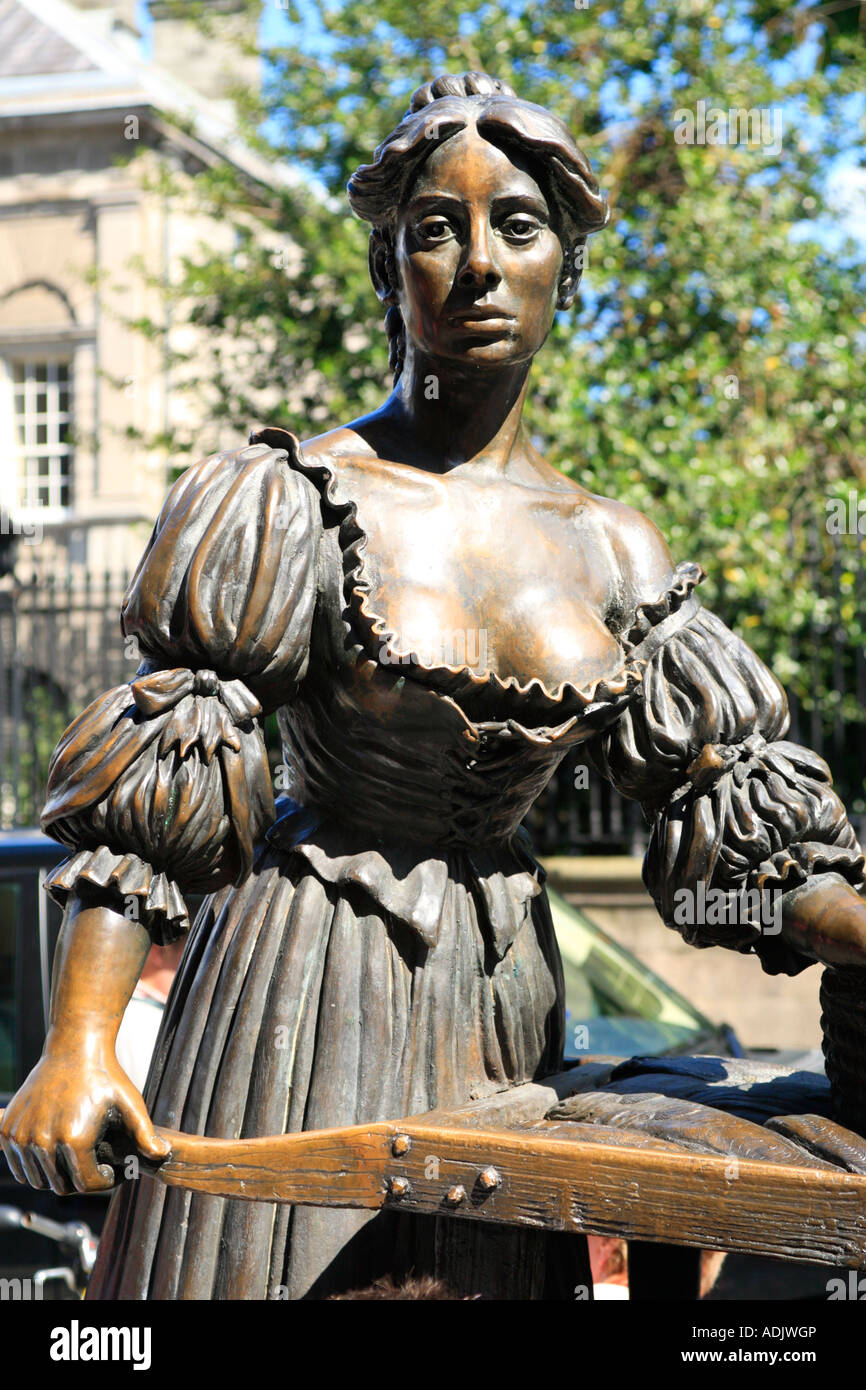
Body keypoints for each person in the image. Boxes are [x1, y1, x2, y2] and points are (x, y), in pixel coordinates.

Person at [2, 71, 864, 1301]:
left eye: (515, 225)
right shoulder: (291, 495)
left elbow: (733, 821)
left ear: (566, 264)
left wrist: (852, 922)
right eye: (431, 230)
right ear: (386, 269)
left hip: (504, 994)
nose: (474, 263)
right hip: (298, 987)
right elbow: (169, 763)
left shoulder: (612, 547)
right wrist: (82, 1036)